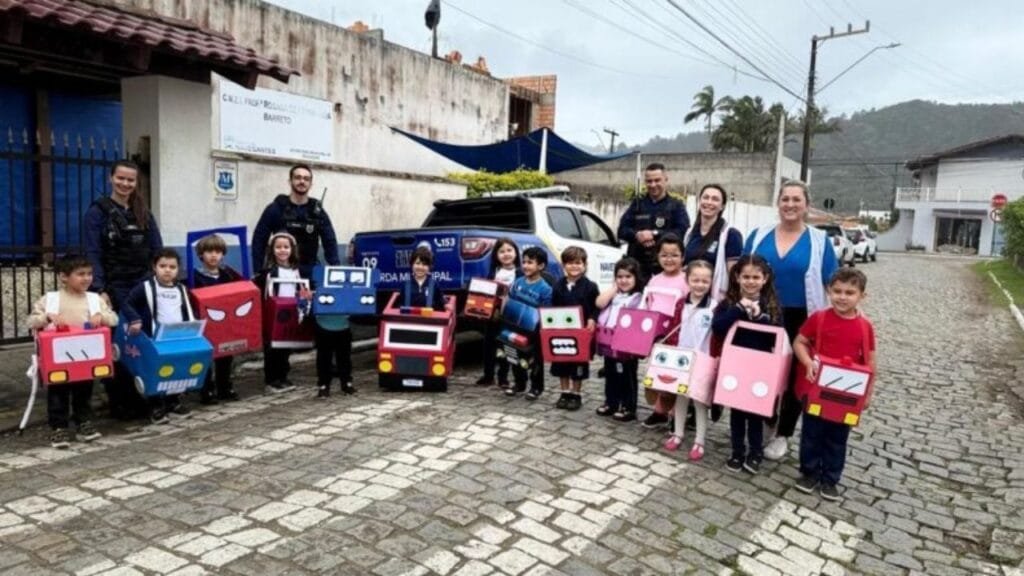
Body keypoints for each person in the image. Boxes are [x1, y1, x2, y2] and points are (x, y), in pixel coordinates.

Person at [743, 180, 839, 461]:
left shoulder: (820, 241)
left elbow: (831, 283)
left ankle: (783, 433)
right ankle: (765, 418)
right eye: (785, 199)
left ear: (806, 205)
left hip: (802, 317)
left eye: (797, 200)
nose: (790, 205)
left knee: (796, 376)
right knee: (762, 371)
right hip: (762, 314)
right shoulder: (759, 235)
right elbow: (743, 273)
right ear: (778, 204)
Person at [83, 160, 162, 419]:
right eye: (121, 178)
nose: (125, 184)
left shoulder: (143, 212)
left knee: (142, 341)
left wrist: (156, 281)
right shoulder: (97, 212)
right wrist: (99, 288)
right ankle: (119, 401)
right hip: (113, 288)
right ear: (111, 178)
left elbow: (156, 249)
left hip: (141, 287)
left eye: (130, 180)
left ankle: (146, 395)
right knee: (116, 346)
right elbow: (92, 251)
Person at [793, 268, 876, 502]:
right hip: (817, 391)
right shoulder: (819, 318)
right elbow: (799, 342)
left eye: (850, 292)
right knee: (811, 433)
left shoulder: (864, 327)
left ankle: (830, 478)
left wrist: (868, 393)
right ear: (829, 291)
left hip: (846, 396)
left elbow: (870, 362)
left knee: (837, 437)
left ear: (862, 296)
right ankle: (808, 472)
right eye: (837, 291)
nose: (842, 297)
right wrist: (807, 361)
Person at [26, 255, 118, 448]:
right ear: (64, 277)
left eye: (89, 274)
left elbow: (114, 319)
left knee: (84, 391)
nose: (86, 278)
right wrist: (47, 317)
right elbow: (31, 322)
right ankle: (58, 427)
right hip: (58, 358)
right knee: (58, 392)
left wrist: (101, 316)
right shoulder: (51, 300)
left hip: (86, 357)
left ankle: (84, 422)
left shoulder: (95, 300)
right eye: (80, 274)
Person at [711, 255, 784, 475]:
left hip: (760, 367)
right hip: (735, 364)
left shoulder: (771, 305)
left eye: (756, 277)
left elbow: (776, 335)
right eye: (746, 277)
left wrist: (760, 317)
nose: (750, 281)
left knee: (755, 412)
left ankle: (755, 452)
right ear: (737, 277)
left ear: (765, 279)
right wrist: (738, 310)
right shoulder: (729, 303)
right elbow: (718, 328)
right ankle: (737, 451)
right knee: (737, 411)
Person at [122, 249, 197, 424]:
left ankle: (173, 402)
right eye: (162, 266)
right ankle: (156, 406)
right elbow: (127, 303)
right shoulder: (146, 287)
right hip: (155, 338)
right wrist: (135, 319)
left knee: (175, 370)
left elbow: (186, 310)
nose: (167, 270)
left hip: (177, 336)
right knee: (156, 371)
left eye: (172, 267)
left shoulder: (181, 289)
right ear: (154, 267)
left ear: (178, 269)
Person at [662, 260, 716, 461]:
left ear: (711, 282)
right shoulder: (680, 303)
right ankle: (678, 434)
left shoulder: (715, 307)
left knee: (700, 401)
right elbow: (674, 328)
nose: (700, 285)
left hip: (703, 360)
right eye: (696, 280)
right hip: (681, 358)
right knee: (681, 397)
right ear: (687, 280)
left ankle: (700, 440)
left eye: (705, 281)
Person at [252, 164, 340, 278]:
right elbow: (259, 240)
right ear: (290, 181)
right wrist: (258, 272)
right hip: (281, 273)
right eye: (298, 177)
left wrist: (337, 269)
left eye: (306, 179)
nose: (302, 181)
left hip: (310, 272)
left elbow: (330, 241)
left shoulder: (318, 212)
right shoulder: (275, 209)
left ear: (310, 184)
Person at [639, 234, 688, 430]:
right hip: (657, 335)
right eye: (664, 255)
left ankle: (677, 413)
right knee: (658, 372)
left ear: (683, 257)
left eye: (674, 255)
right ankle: (660, 410)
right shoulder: (654, 280)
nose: (669, 259)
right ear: (658, 257)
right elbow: (648, 306)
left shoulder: (686, 280)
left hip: (678, 335)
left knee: (676, 374)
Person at [254, 232, 311, 393]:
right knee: (272, 349)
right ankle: (271, 380)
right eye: (278, 247)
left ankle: (283, 377)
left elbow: (300, 290)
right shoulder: (269, 272)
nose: (282, 250)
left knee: (286, 347)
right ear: (272, 250)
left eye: (286, 247)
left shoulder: (295, 270)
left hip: (289, 313)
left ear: (292, 249)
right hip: (273, 315)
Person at [191, 234, 243, 405]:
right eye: (209, 251)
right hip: (205, 324)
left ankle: (224, 387)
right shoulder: (194, 277)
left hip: (225, 323)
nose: (213, 255)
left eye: (218, 251)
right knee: (206, 356)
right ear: (201, 254)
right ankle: (206, 390)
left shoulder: (228, 274)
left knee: (226, 356)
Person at [617, 163, 690, 279]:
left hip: (664, 269)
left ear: (666, 180)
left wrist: (654, 234)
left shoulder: (676, 206)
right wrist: (638, 235)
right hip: (637, 269)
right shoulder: (637, 205)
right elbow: (621, 230)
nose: (653, 185)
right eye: (649, 181)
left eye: (657, 180)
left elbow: (681, 232)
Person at [595, 257, 645, 421]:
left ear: (636, 278)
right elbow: (599, 303)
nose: (624, 280)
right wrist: (613, 288)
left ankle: (629, 406)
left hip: (627, 345)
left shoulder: (638, 297)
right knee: (610, 374)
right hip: (609, 342)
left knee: (626, 375)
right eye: (620, 276)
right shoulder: (614, 295)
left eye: (628, 277)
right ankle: (611, 402)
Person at [550, 246, 600, 411]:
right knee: (562, 363)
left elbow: (597, 307)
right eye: (570, 263)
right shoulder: (558, 286)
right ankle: (564, 392)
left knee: (578, 364)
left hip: (581, 333)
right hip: (562, 331)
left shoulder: (591, 286)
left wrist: (593, 318)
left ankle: (576, 394)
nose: (574, 266)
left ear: (585, 265)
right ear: (564, 265)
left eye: (578, 263)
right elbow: (553, 307)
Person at [504, 246, 553, 400]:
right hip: (515, 326)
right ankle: (519, 383)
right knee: (514, 355)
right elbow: (510, 299)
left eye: (530, 262)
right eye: (524, 262)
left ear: (541, 266)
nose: (525, 266)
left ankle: (536, 387)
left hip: (534, 330)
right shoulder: (518, 282)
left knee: (535, 359)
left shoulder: (545, 289)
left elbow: (546, 312)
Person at [683, 184, 743, 301]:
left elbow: (734, 276)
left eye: (715, 199)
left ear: (722, 206)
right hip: (690, 298)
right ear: (699, 201)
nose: (709, 202)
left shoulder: (730, 234)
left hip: (716, 300)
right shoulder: (689, 233)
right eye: (706, 197)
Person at [476, 238, 522, 388]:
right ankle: (488, 375)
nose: (506, 254)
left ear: (516, 252)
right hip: (492, 316)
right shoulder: (492, 273)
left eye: (509, 250)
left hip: (511, 317)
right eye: (501, 251)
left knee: (507, 346)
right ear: (496, 255)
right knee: (489, 345)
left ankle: (503, 377)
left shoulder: (520, 273)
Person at [395, 246, 447, 311]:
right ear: (412, 264)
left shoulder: (434, 285)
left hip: (429, 320)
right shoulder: (405, 285)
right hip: (409, 320)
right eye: (417, 263)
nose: (420, 267)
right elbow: (398, 308)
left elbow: (442, 305)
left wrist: (446, 306)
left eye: (424, 264)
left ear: (429, 267)